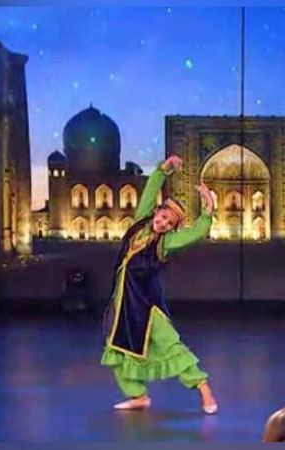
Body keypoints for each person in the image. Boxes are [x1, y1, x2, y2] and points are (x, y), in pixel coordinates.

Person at [100, 155, 218, 414]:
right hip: (123, 302)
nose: (162, 223)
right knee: (116, 349)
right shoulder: (139, 224)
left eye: (169, 223)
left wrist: (208, 210)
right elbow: (149, 191)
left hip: (147, 305)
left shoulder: (165, 243)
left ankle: (203, 388)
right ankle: (137, 395)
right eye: (163, 216)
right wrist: (163, 170)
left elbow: (195, 233)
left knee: (170, 344)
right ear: (157, 211)